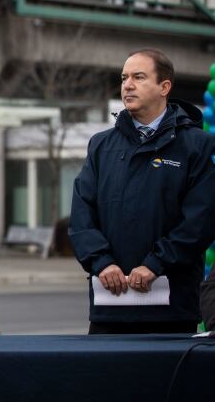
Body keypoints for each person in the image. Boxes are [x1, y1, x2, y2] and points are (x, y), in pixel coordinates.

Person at [69, 49, 215, 334]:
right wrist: (102, 263)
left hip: (172, 309)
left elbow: (201, 220)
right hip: (109, 307)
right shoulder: (101, 145)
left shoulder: (198, 145)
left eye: (138, 77)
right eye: (124, 78)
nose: (128, 85)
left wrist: (155, 264)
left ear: (164, 87)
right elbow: (82, 213)